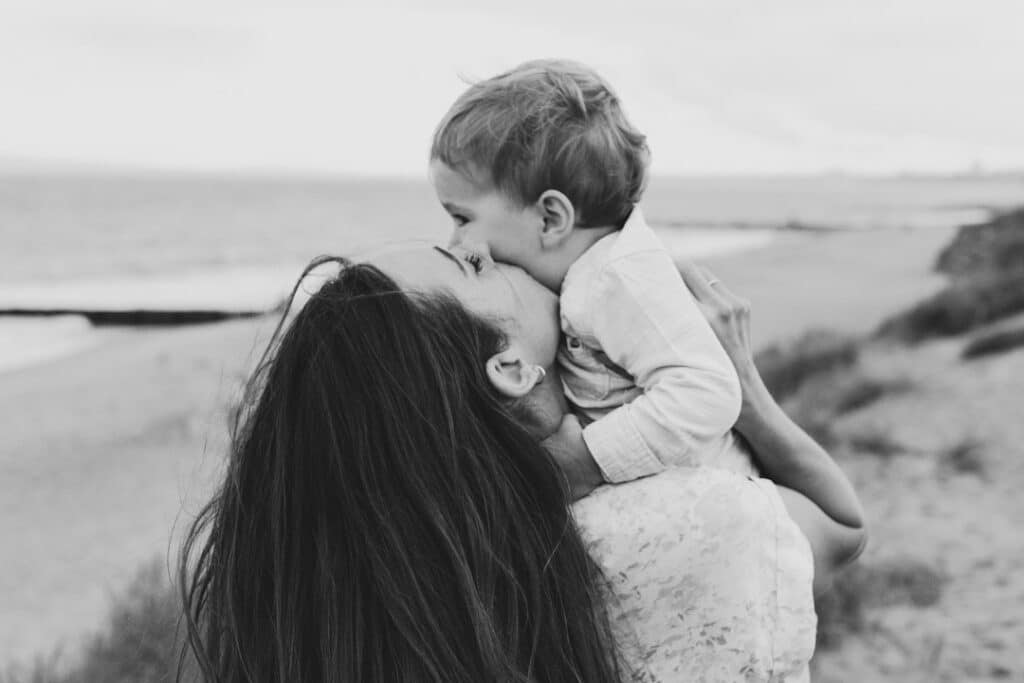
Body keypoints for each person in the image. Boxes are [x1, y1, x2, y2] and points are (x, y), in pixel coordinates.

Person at [179, 246, 866, 682]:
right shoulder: (683, 521)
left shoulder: (376, 590)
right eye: (474, 265)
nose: (490, 246)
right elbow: (841, 525)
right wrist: (736, 385)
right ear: (510, 367)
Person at [430, 59, 755, 498]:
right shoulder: (589, 277)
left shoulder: (616, 279)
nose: (456, 242)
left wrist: (587, 458)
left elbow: (707, 392)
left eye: (462, 218)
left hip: (716, 501)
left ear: (550, 218)